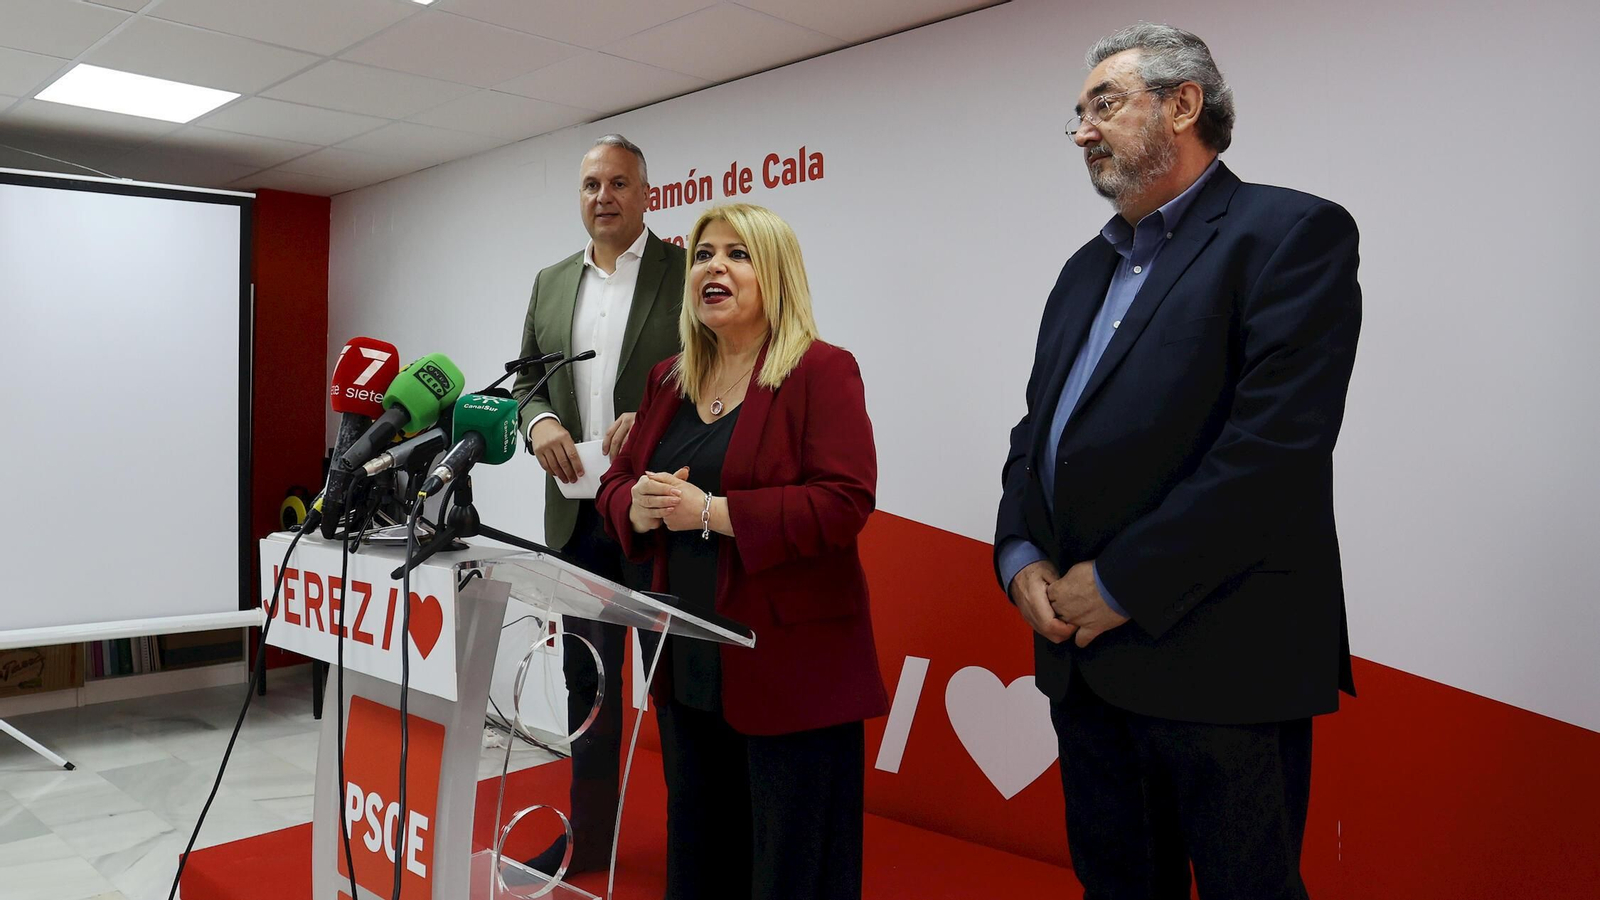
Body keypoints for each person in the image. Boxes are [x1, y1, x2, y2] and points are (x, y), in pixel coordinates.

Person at [993, 23, 1362, 900]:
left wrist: (1120, 582)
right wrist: (1018, 555)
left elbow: (1272, 454)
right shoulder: (1083, 270)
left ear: (1184, 103)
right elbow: (1037, 436)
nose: (1083, 131)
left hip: (1222, 660)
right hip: (1085, 665)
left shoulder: (1290, 233)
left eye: (1104, 104)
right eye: (1078, 113)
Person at [596, 203, 887, 900]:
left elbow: (844, 501)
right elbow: (615, 482)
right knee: (701, 856)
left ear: (775, 273)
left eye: (737, 254)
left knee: (790, 868)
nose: (713, 267)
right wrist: (634, 503)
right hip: (689, 664)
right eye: (702, 255)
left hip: (790, 670)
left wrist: (713, 512)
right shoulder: (668, 380)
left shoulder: (822, 370)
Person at [510, 133, 684, 873]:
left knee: (676, 690)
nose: (603, 197)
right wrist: (539, 422)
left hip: (659, 515)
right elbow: (526, 380)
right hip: (578, 519)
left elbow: (719, 368)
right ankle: (589, 839)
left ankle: (694, 853)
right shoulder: (550, 282)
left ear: (646, 194)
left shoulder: (687, 270)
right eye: (591, 185)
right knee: (588, 682)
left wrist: (655, 416)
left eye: (618, 183)